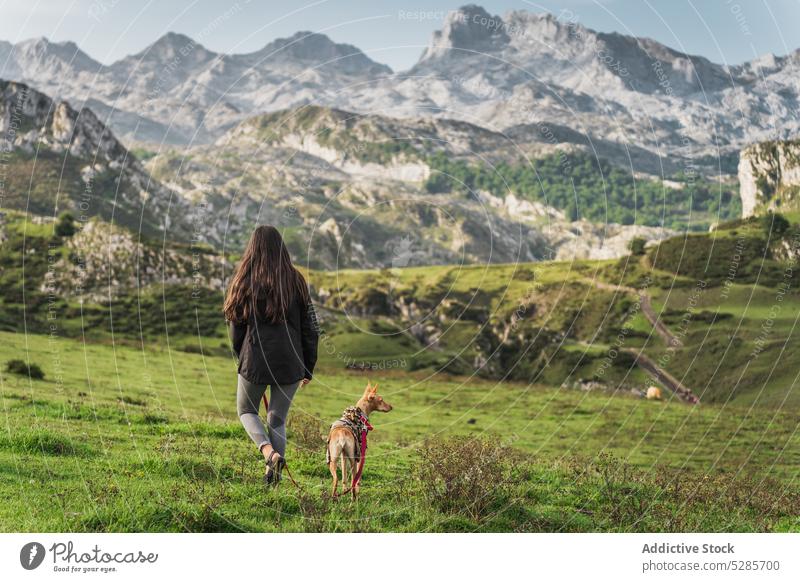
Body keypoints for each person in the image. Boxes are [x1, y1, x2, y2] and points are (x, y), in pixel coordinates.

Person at [223, 225, 319, 485]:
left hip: (254, 358)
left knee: (246, 410)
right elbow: (311, 327)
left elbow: (235, 327)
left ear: (252, 248)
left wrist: (241, 356)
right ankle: (272, 479)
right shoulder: (296, 280)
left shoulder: (243, 279)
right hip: (291, 362)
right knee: (277, 420)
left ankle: (268, 452)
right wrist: (308, 366)